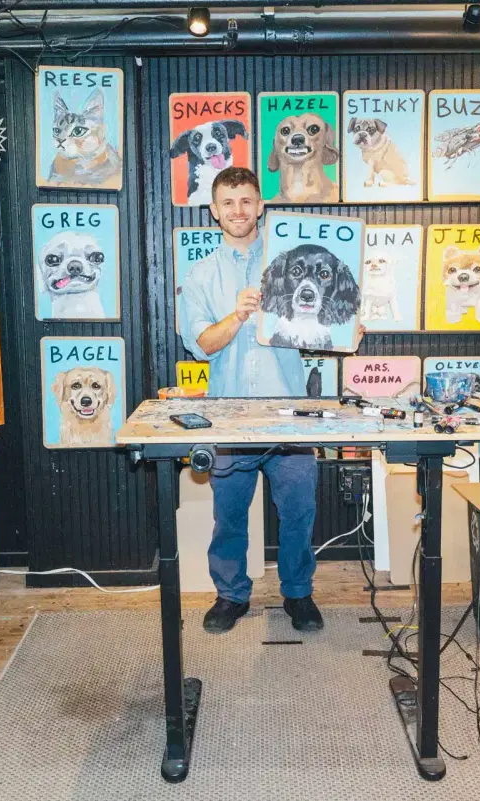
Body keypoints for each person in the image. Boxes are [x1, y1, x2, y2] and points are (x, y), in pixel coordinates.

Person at [180, 166, 333, 634]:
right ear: (214, 211)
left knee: (298, 513)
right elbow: (200, 344)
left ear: (260, 205)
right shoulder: (202, 274)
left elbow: (322, 325)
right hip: (228, 417)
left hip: (288, 413)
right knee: (227, 517)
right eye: (228, 203)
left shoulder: (296, 262)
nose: (238, 211)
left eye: (246, 201)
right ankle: (230, 596)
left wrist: (344, 331)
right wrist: (238, 314)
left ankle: (298, 595)